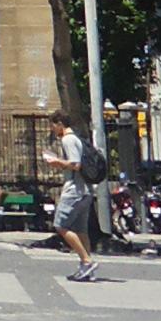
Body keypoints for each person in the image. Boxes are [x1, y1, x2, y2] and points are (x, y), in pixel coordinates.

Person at [44, 110, 98, 279]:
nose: (52, 129)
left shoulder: (68, 139)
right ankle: (85, 268)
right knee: (81, 230)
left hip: (75, 190)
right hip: (85, 190)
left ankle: (86, 260)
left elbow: (75, 164)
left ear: (60, 123)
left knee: (61, 225)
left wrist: (56, 161)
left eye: (53, 125)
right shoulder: (78, 139)